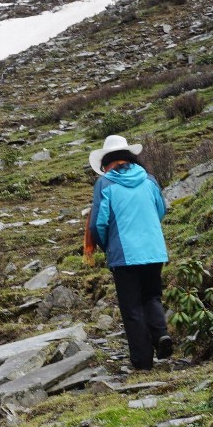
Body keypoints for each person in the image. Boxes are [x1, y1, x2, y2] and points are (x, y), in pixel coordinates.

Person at [83, 134, 173, 371]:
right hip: (154, 250)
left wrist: (107, 245)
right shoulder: (149, 179)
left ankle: (142, 361)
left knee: (131, 307)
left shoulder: (105, 184)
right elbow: (161, 210)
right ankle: (161, 335)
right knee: (151, 296)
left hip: (124, 254)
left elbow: (97, 224)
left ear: (106, 162)